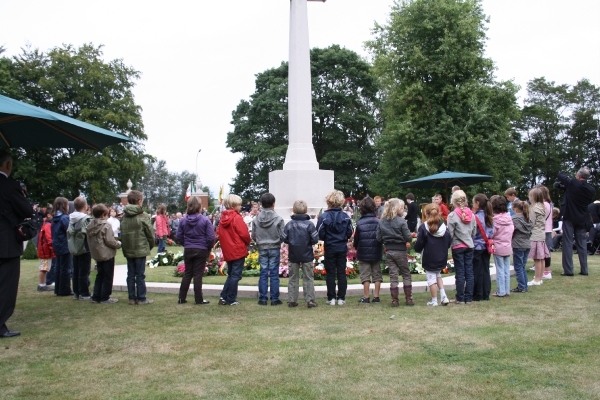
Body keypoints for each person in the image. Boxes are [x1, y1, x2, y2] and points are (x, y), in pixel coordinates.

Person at [0, 150, 35, 338]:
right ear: (8, 165)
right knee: (6, 285)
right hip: (5, 243)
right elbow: (26, 210)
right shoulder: (9, 186)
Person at [555, 168, 596, 276]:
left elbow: (561, 175)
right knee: (582, 244)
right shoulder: (591, 189)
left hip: (569, 217)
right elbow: (575, 193)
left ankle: (568, 270)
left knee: (567, 243)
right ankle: (584, 269)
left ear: (578, 176)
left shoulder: (573, 183)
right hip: (582, 218)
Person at [317, 190, 354, 306]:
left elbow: (319, 233)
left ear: (329, 201)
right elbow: (350, 232)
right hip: (341, 247)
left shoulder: (324, 216)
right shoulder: (346, 217)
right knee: (342, 273)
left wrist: (328, 238)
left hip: (330, 247)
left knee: (331, 273)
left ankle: (331, 298)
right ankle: (341, 298)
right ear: (341, 201)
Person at [176, 197, 215, 305]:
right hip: (201, 248)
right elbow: (211, 237)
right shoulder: (205, 220)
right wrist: (208, 247)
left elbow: (179, 236)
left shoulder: (183, 220)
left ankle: (181, 297)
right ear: (199, 206)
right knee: (198, 274)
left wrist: (186, 244)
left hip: (189, 248)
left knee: (188, 273)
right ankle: (199, 299)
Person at [282, 200, 319, 308]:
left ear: (293, 210)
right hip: (307, 254)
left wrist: (291, 243)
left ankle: (292, 300)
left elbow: (284, 238)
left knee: (293, 277)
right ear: (306, 210)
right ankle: (310, 300)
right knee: (308, 277)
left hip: (293, 254)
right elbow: (315, 239)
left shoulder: (289, 224)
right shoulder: (310, 224)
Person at [376, 198, 413, 307]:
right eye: (401, 208)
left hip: (389, 251)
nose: (403, 210)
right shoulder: (401, 221)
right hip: (400, 250)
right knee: (406, 274)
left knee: (393, 276)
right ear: (396, 209)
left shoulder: (381, 221)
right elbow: (408, 237)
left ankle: (395, 300)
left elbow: (378, 238)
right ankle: (409, 299)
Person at [121, 190, 155, 305]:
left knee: (130, 273)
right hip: (140, 249)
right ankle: (141, 298)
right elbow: (150, 234)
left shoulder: (124, 217)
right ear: (139, 201)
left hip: (128, 248)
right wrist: (149, 246)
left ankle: (132, 297)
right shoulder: (143, 216)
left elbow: (122, 233)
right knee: (139, 274)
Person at [414, 203, 452, 306]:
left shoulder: (423, 227)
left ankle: (434, 300)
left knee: (431, 279)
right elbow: (449, 241)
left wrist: (417, 249)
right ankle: (443, 296)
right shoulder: (444, 227)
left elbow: (419, 244)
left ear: (426, 214)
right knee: (438, 275)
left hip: (429, 257)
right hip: (441, 256)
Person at [252, 193, 285, 306]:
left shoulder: (256, 219)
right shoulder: (278, 219)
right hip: (274, 247)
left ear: (261, 204)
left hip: (262, 247)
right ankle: (275, 299)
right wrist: (277, 241)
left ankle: (263, 298)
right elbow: (283, 235)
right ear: (273, 204)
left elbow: (253, 236)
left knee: (263, 273)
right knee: (274, 274)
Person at [218, 194, 251, 306]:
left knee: (231, 275)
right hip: (237, 249)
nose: (241, 206)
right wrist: (247, 242)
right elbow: (244, 234)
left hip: (228, 249)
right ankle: (230, 298)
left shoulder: (223, 218)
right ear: (234, 205)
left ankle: (224, 296)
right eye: (239, 204)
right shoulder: (236, 218)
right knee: (235, 276)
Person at [87, 204, 122, 304]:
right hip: (107, 254)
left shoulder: (90, 225)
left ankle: (96, 296)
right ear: (103, 215)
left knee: (100, 275)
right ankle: (105, 297)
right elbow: (110, 241)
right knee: (108, 276)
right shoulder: (106, 225)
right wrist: (118, 244)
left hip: (97, 253)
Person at [447, 190, 476, 305]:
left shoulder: (452, 215)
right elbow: (474, 232)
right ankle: (468, 297)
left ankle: (460, 297)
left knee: (460, 272)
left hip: (458, 246)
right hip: (469, 245)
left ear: (453, 201)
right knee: (469, 271)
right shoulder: (472, 215)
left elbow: (450, 233)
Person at [353, 197, 383, 304]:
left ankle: (366, 297)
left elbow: (356, 239)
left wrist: (356, 247)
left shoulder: (360, 223)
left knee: (365, 275)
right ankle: (376, 296)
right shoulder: (378, 221)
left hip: (363, 252)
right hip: (376, 251)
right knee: (377, 274)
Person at [68, 196, 92, 300]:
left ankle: (76, 292)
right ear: (85, 206)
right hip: (84, 247)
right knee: (84, 271)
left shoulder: (71, 218)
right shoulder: (86, 219)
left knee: (76, 270)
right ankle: (84, 293)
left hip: (74, 247)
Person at [472, 194, 494, 301]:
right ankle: (486, 293)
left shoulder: (475, 217)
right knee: (485, 270)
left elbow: (473, 233)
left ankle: (477, 293)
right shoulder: (489, 216)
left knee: (477, 271)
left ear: (477, 203)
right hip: (486, 246)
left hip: (477, 246)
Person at [491, 196, 514, 297]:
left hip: (498, 246)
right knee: (506, 270)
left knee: (500, 270)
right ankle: (507, 290)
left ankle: (501, 291)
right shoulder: (509, 218)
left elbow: (492, 233)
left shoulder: (495, 220)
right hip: (508, 246)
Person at [528, 187, 550, 286]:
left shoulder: (533, 208)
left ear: (533, 197)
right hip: (541, 234)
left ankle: (536, 279)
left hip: (535, 235)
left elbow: (531, 223)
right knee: (541, 258)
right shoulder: (542, 207)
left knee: (537, 258)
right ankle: (540, 278)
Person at [51, 197, 73, 297]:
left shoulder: (55, 217)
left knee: (58, 267)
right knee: (65, 268)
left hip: (57, 244)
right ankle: (64, 289)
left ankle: (58, 289)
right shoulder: (64, 218)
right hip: (64, 244)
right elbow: (69, 230)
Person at [510, 200, 532, 293]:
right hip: (527, 244)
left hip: (518, 244)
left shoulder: (514, 219)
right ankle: (524, 285)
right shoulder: (527, 219)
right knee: (522, 266)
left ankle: (522, 286)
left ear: (515, 209)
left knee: (518, 266)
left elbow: (512, 230)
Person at [536, 185, 554, 279]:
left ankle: (546, 271)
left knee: (543, 252)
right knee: (545, 251)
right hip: (547, 229)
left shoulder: (543, 205)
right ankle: (546, 271)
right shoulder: (548, 204)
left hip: (543, 230)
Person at [36, 208, 55, 292]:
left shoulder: (45, 224)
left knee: (44, 267)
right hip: (45, 251)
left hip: (44, 250)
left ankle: (42, 284)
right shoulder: (48, 225)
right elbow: (48, 238)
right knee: (44, 268)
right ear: (48, 215)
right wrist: (52, 248)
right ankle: (41, 285)